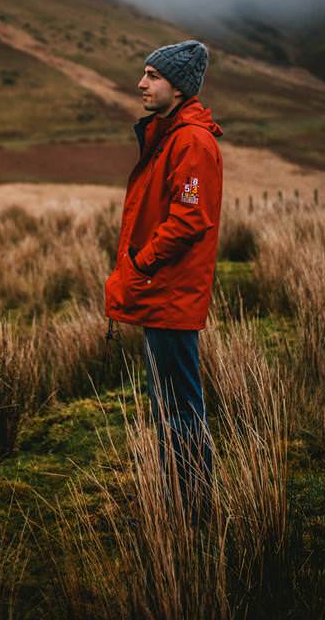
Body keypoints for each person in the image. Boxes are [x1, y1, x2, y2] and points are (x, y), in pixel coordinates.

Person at [104, 39, 223, 513]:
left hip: (170, 293)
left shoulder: (192, 141)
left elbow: (191, 218)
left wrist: (140, 264)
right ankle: (180, 500)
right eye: (145, 74)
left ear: (178, 87)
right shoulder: (170, 136)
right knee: (169, 404)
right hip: (161, 294)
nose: (141, 84)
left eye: (152, 76)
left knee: (179, 406)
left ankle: (191, 510)